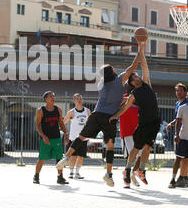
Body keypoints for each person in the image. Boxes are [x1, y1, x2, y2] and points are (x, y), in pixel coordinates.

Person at [56, 42, 144, 187]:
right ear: (113, 72)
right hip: (109, 118)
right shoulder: (119, 80)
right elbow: (132, 67)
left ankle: (66, 158)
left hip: (97, 114)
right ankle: (108, 174)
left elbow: (112, 97)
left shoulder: (101, 84)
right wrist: (140, 51)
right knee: (109, 145)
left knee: (81, 136)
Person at [109, 44, 160, 187]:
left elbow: (144, 66)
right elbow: (125, 108)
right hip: (144, 123)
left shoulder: (147, 84)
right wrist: (114, 116)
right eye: (136, 76)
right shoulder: (134, 94)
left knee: (148, 148)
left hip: (155, 121)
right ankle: (127, 170)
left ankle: (141, 170)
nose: (139, 75)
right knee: (136, 148)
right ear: (132, 82)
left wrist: (141, 51)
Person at [34, 91, 70, 185]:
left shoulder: (58, 109)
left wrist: (66, 133)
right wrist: (43, 136)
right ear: (46, 99)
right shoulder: (41, 110)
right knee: (41, 158)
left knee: (59, 158)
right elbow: (37, 126)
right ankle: (36, 176)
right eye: (51, 96)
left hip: (57, 138)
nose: (53, 97)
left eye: (54, 96)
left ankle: (60, 177)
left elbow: (61, 123)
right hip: (46, 139)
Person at [63, 93, 91, 179]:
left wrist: (90, 136)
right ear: (74, 100)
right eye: (77, 99)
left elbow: (90, 123)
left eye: (80, 98)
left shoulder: (87, 111)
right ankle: (71, 172)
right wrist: (65, 132)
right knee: (73, 156)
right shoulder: (71, 112)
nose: (79, 100)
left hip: (83, 137)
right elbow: (63, 123)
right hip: (74, 138)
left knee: (81, 156)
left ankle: (77, 173)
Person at [166, 83, 188, 188]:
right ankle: (183, 179)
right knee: (181, 157)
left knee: (182, 157)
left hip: (185, 134)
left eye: (180, 90)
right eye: (177, 91)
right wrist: (171, 123)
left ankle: (181, 178)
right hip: (178, 133)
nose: (178, 92)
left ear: (185, 92)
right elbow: (177, 118)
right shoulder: (177, 104)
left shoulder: (187, 104)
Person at [119, 93, 142, 188]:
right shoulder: (123, 97)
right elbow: (117, 103)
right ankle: (126, 178)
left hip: (138, 131)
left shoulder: (139, 99)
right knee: (128, 156)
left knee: (140, 155)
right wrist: (129, 98)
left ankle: (133, 174)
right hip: (126, 131)